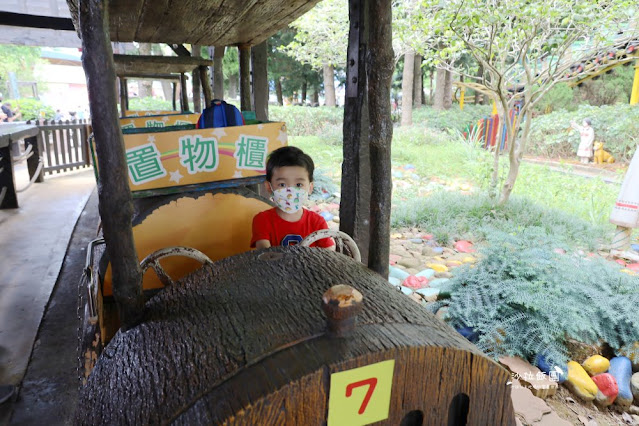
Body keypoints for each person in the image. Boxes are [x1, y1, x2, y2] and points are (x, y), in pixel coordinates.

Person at [251, 146, 335, 249]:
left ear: (310, 187)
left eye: (299, 185)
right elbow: (264, 253)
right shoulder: (262, 220)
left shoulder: (317, 222)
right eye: (282, 184)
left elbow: (329, 252)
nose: (290, 192)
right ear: (269, 187)